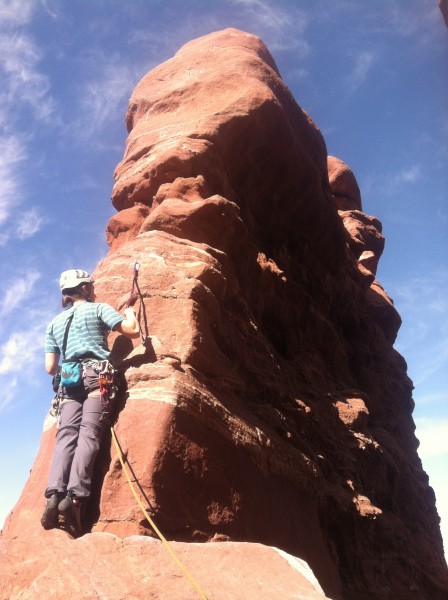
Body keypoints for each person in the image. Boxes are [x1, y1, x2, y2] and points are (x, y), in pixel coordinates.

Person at [41, 269, 140, 536]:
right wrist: (130, 311)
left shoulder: (54, 324)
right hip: (98, 377)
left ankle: (53, 495)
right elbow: (132, 331)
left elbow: (50, 367)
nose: (93, 290)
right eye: (90, 286)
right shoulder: (98, 310)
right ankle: (74, 499)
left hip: (69, 381)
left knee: (66, 435)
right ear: (84, 289)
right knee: (89, 434)